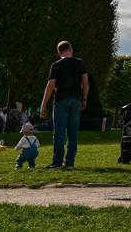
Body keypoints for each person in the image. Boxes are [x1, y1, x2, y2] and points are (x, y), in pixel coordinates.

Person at [39, 40, 89, 170]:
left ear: (58, 52)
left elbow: (50, 85)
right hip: (76, 99)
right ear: (71, 49)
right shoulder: (80, 63)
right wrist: (84, 98)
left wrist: (43, 105)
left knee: (59, 133)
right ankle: (70, 162)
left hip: (61, 99)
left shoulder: (56, 65)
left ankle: (57, 162)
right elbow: (85, 83)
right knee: (73, 133)